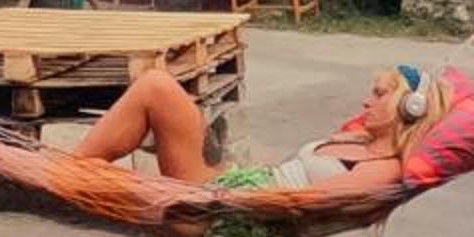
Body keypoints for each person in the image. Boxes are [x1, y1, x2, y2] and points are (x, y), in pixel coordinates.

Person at [73, 62, 453, 191]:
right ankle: (67, 170)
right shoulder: (361, 140)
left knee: (157, 88)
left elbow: (310, 206)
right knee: (169, 98)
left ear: (410, 108)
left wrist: (236, 199)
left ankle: (64, 172)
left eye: (379, 94)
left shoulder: (381, 168)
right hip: (235, 183)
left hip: (224, 207)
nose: (367, 102)